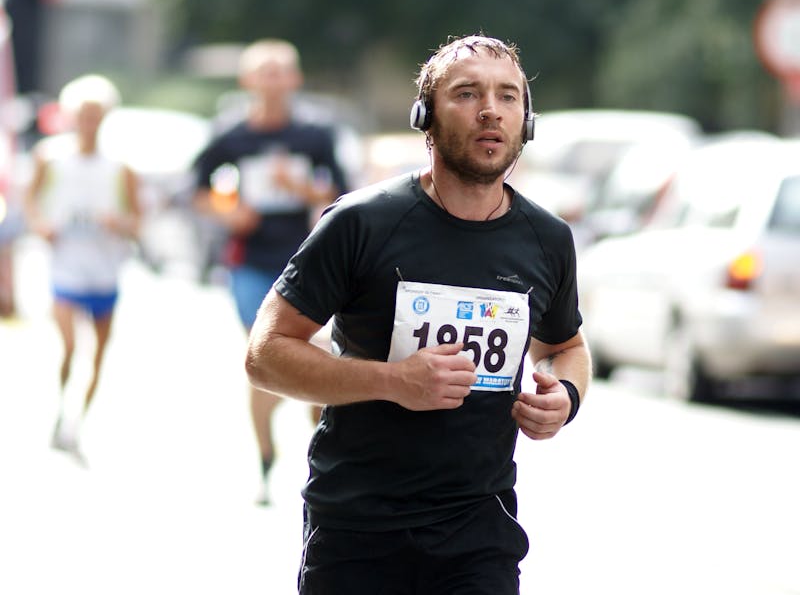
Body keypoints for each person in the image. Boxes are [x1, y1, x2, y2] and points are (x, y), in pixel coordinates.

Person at [245, 34, 591, 594]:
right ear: (425, 118)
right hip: (358, 530)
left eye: (508, 96)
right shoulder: (363, 223)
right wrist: (392, 381)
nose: (490, 110)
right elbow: (265, 355)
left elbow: (566, 347)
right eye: (467, 93)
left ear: (526, 123)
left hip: (479, 534)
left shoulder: (547, 239)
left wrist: (565, 396)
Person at [191, 38, 349, 506]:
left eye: (282, 71)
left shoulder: (314, 136)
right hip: (250, 262)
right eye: (265, 71)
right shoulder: (232, 136)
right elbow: (197, 188)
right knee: (266, 355)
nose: (274, 80)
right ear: (248, 80)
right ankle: (265, 454)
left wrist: (299, 189)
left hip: (304, 261)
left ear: (295, 79)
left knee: (315, 353)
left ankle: (319, 451)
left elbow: (342, 195)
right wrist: (229, 212)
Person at [23, 74, 141, 463]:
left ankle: (77, 425)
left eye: (96, 115)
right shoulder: (50, 157)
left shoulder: (120, 166)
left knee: (97, 354)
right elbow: (29, 200)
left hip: (105, 268)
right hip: (66, 266)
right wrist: (41, 225)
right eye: (83, 114)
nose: (89, 122)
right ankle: (60, 409)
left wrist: (118, 223)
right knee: (70, 346)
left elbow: (137, 220)